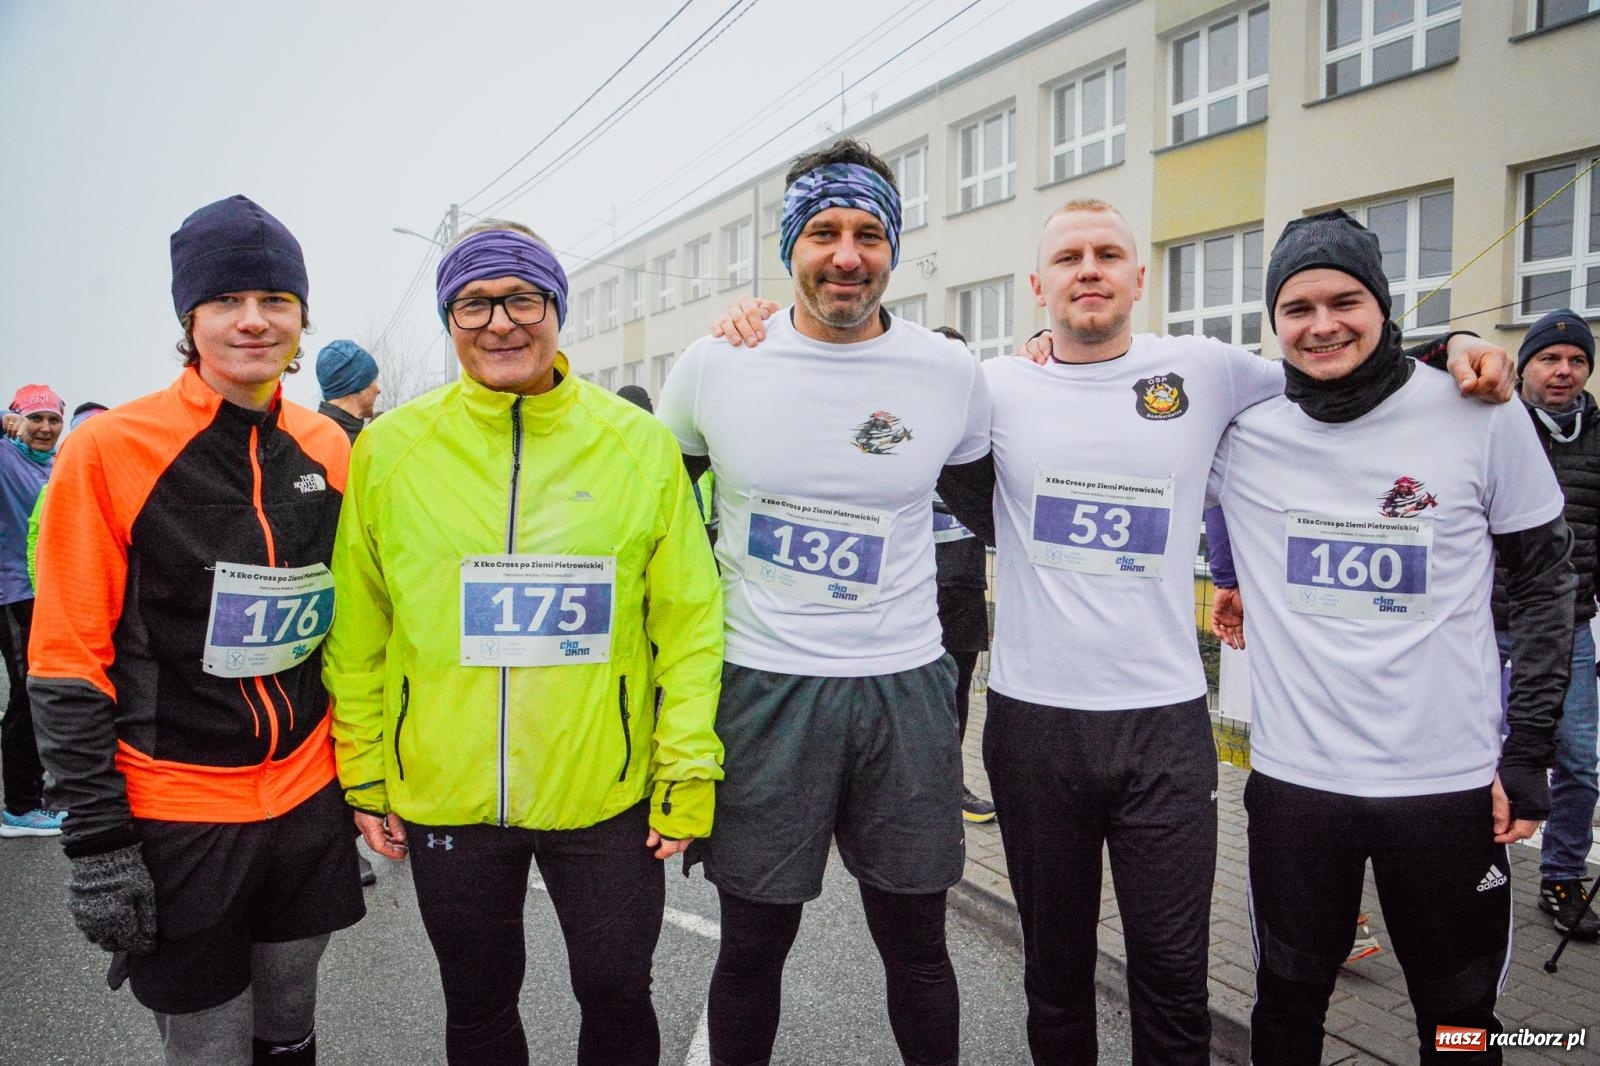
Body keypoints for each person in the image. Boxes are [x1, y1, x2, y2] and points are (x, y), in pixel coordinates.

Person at [716, 196, 1511, 1065]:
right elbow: (880, 392)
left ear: (1139, 277)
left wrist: (1454, 350)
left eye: (1107, 253)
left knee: (1176, 982)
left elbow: (1336, 361)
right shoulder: (990, 385)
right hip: (1032, 726)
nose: (1087, 269)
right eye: (1067, 258)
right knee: (1055, 981)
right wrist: (763, 325)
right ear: (1038, 285)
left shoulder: (1206, 371)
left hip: (1167, 729)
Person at [322, 219, 723, 1066]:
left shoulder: (637, 444)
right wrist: (364, 769)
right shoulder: (391, 450)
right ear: (449, 317)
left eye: (521, 298)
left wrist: (686, 766)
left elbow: (688, 622)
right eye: (473, 304)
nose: (500, 322)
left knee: (618, 994)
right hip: (446, 792)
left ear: (556, 308)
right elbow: (360, 627)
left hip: (603, 791)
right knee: (476, 1004)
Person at [1209, 210, 1573, 1063]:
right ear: (1274, 322)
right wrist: (1045, 344)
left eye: (1345, 300)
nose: (1322, 323)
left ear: (1382, 306)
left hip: (1446, 791)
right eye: (1297, 308)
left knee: (1458, 1020)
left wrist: (1526, 756)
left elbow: (1548, 586)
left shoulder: (1479, 409)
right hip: (1299, 789)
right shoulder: (1244, 429)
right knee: (1289, 1002)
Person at [659, 138, 989, 1066]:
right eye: (824, 231)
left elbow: (1000, 495)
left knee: (917, 944)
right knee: (754, 947)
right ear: (789, 248)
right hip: (764, 688)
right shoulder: (714, 366)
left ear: (893, 247)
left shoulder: (948, 373)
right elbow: (655, 526)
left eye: (870, 233)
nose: (847, 254)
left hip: (904, 687)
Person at [28, 195, 365, 1065]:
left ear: (301, 317)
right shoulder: (109, 451)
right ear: (189, 317)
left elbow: (354, 626)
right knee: (210, 1046)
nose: (253, 321)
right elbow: (66, 659)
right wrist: (98, 844)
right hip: (175, 808)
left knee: (290, 1019)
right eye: (225, 301)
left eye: (275, 300)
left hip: (303, 797)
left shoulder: (329, 445)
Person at [1496, 309, 1600, 940]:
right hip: (1481, 622)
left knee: (1581, 762)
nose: (1563, 372)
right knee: (1466, 753)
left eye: (1577, 361)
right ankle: (1458, 866)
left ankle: (1561, 876)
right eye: (1549, 359)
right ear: (1525, 365)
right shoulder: (1492, 423)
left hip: (1571, 628)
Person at [930, 325, 995, 824]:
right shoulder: (906, 424)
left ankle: (950, 785)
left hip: (965, 584)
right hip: (914, 588)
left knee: (956, 692)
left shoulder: (982, 426)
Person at [0, 384, 65, 836]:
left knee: (37, 696)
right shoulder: (6, 459)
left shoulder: (54, 466)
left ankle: (34, 796)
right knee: (27, 697)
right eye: (35, 419)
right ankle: (20, 809)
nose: (45, 428)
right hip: (13, 594)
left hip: (45, 593)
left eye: (52, 419)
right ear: (17, 422)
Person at [26, 402, 108, 591]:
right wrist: (42, 594)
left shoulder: (131, 484)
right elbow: (37, 545)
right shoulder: (54, 487)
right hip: (74, 593)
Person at [314, 339, 380, 442]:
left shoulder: (315, 434)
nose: (379, 389)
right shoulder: (332, 442)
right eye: (374, 380)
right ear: (360, 386)